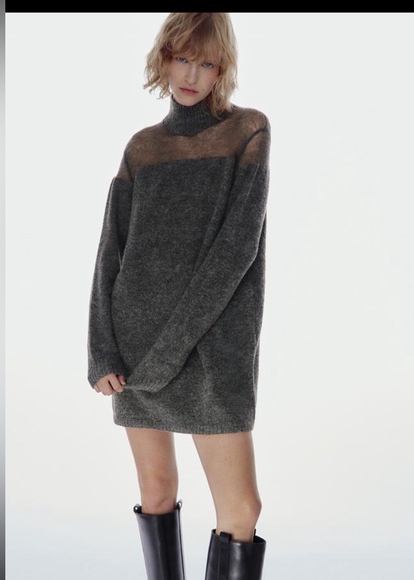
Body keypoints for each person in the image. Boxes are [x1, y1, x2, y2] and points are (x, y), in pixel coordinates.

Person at [87, 12, 271, 580]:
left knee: (241, 509)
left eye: (206, 62)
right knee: (157, 490)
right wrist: (101, 352)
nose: (192, 75)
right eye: (182, 58)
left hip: (213, 345)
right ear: (163, 59)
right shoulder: (142, 148)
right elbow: (111, 252)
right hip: (137, 347)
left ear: (223, 68)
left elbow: (236, 251)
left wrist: (172, 349)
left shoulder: (248, 131)